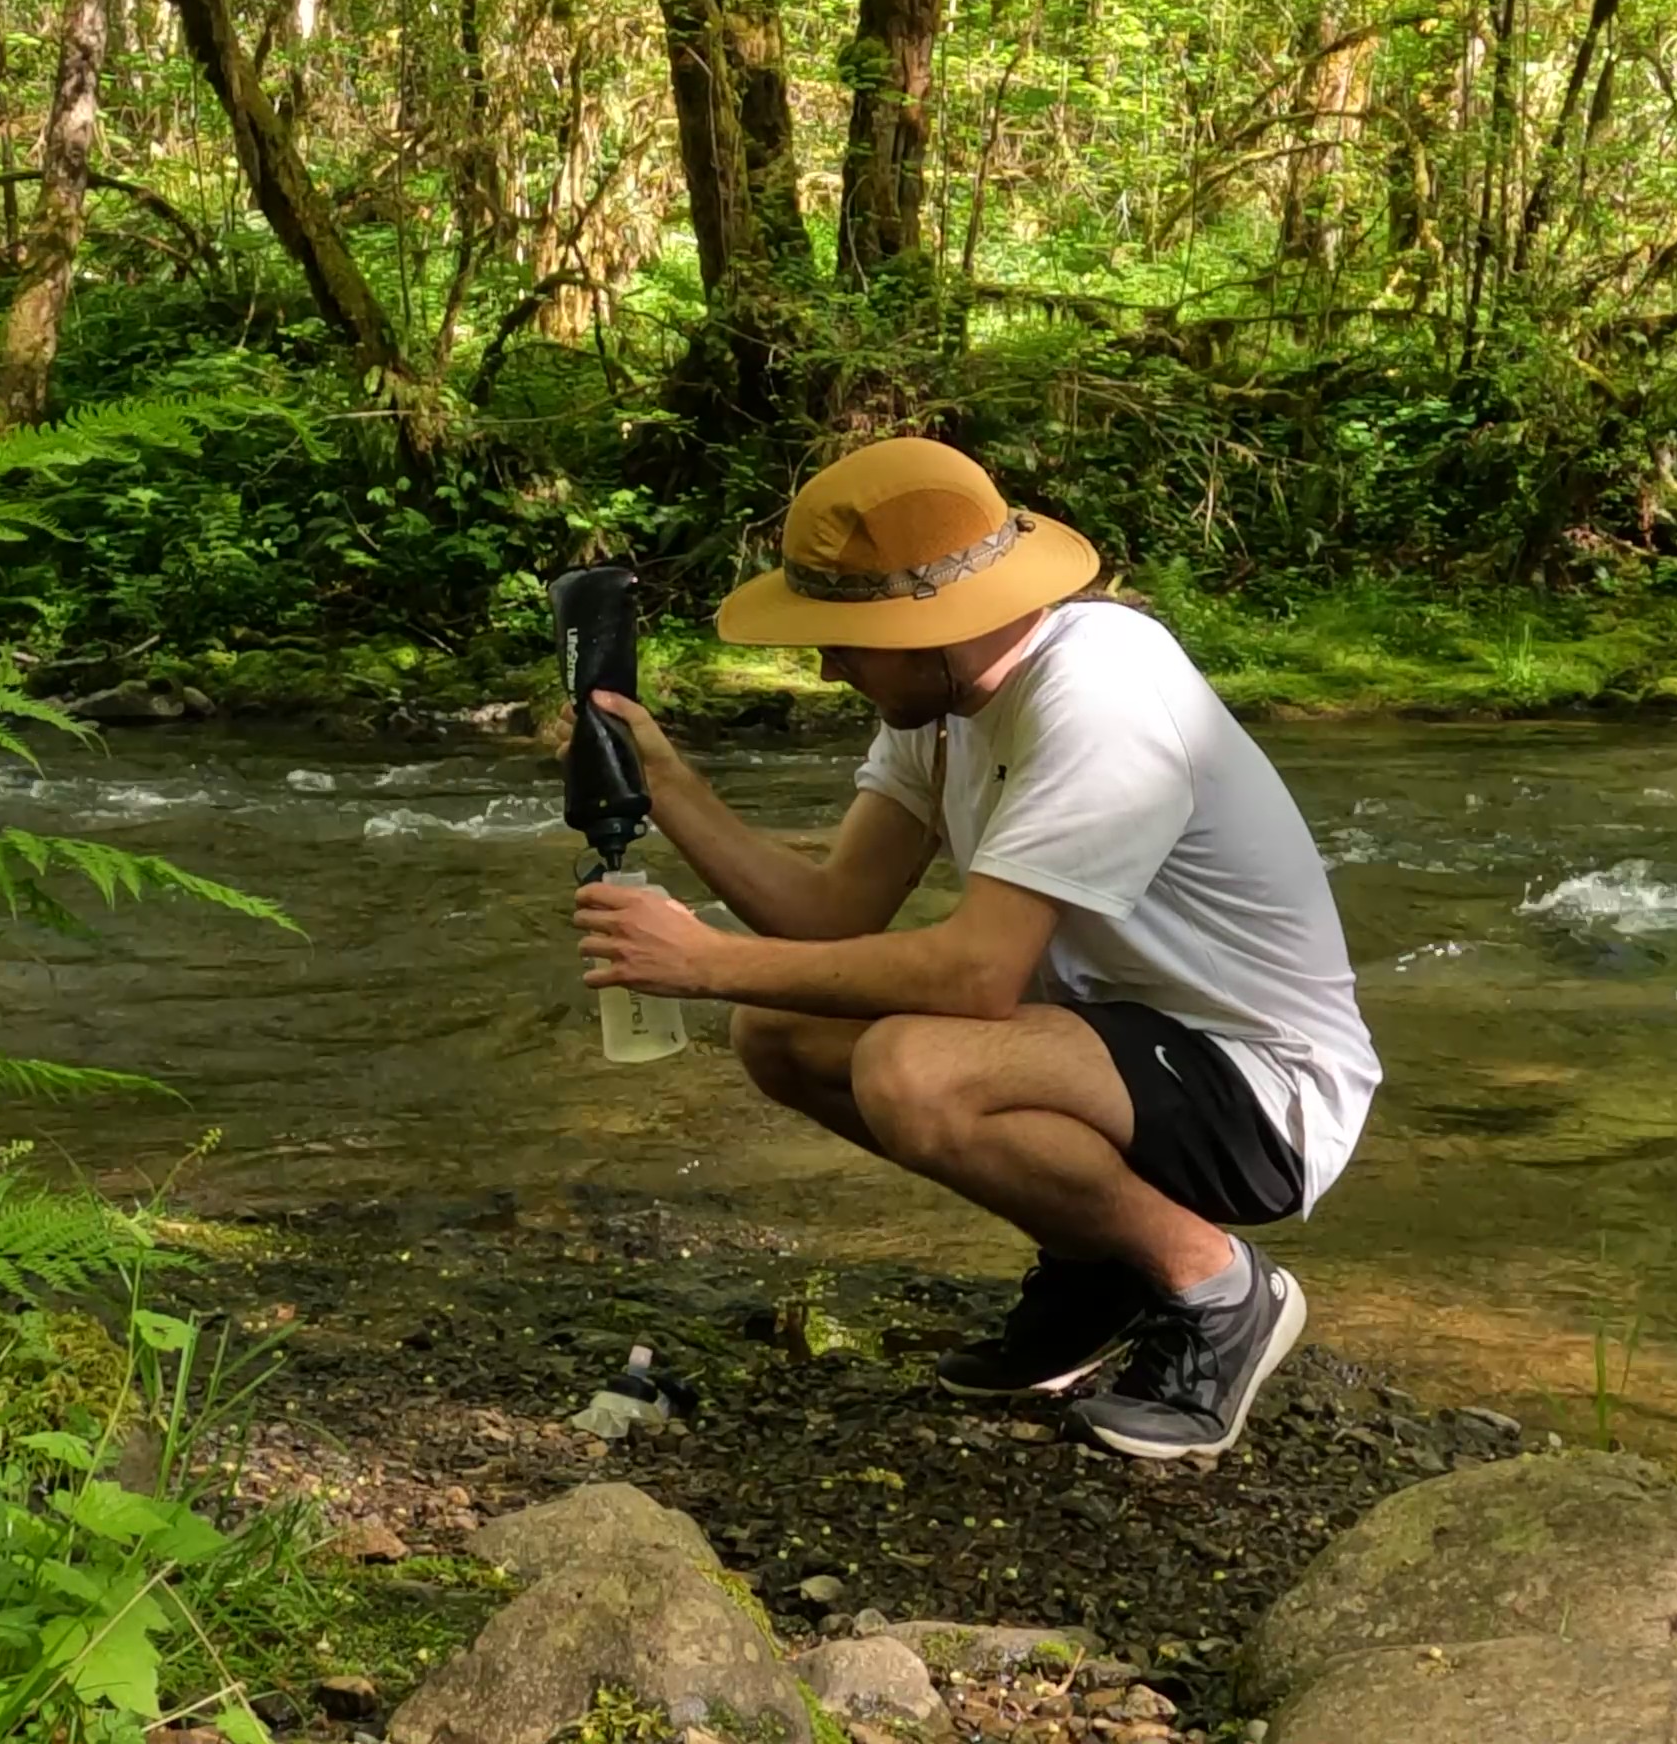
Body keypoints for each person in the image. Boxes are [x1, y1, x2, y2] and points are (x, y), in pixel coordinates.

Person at [571, 438, 1379, 1462]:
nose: (823, 666)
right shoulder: (942, 708)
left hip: (1263, 1092)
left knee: (917, 1071)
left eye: (842, 640)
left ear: (934, 627)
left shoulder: (1103, 694)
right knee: (778, 1031)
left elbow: (975, 974)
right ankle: (1101, 1264)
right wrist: (667, 783)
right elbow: (830, 913)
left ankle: (1217, 1290)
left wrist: (701, 961)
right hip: (1116, 1053)